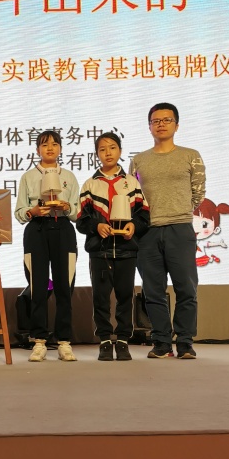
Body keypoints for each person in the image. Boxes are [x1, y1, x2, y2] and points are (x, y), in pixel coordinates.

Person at [128, 103, 205, 360]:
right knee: (153, 291)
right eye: (156, 121)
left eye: (166, 120)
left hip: (180, 229)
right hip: (147, 232)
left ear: (177, 125)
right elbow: (132, 196)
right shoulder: (139, 160)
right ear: (149, 126)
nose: (161, 124)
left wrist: (179, 210)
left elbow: (198, 192)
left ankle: (185, 343)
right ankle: (161, 342)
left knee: (186, 289)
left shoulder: (190, 155)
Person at [77, 132, 150, 361]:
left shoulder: (132, 183)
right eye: (102, 149)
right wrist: (97, 226)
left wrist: (133, 226)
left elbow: (144, 216)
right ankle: (105, 340)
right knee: (100, 297)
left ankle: (123, 340)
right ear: (96, 154)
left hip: (127, 250)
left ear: (120, 151)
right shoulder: (90, 184)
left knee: (125, 296)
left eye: (112, 148)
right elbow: (81, 221)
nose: (107, 153)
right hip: (100, 251)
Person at [15, 129, 80, 363]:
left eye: (54, 144)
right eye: (44, 145)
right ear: (37, 150)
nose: (50, 148)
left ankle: (64, 342)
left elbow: (77, 212)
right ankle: (39, 341)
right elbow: (19, 212)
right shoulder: (28, 177)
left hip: (63, 229)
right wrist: (32, 211)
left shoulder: (69, 177)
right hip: (37, 230)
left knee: (64, 286)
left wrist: (67, 207)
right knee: (38, 287)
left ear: (60, 148)